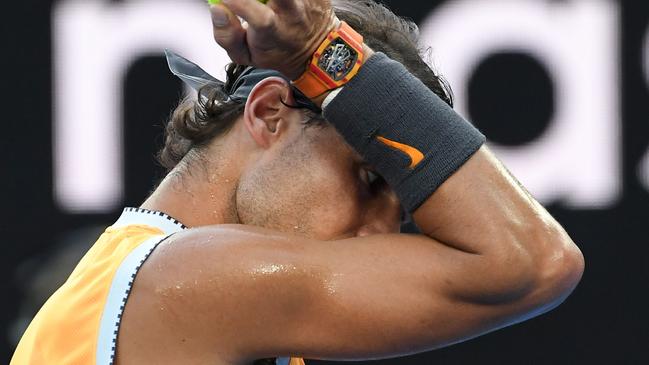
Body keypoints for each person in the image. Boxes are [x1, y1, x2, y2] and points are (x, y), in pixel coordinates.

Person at [11, 0, 584, 364]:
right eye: (368, 178)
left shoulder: (147, 285)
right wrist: (321, 54)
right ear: (266, 114)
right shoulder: (188, 279)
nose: (379, 234)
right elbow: (534, 264)